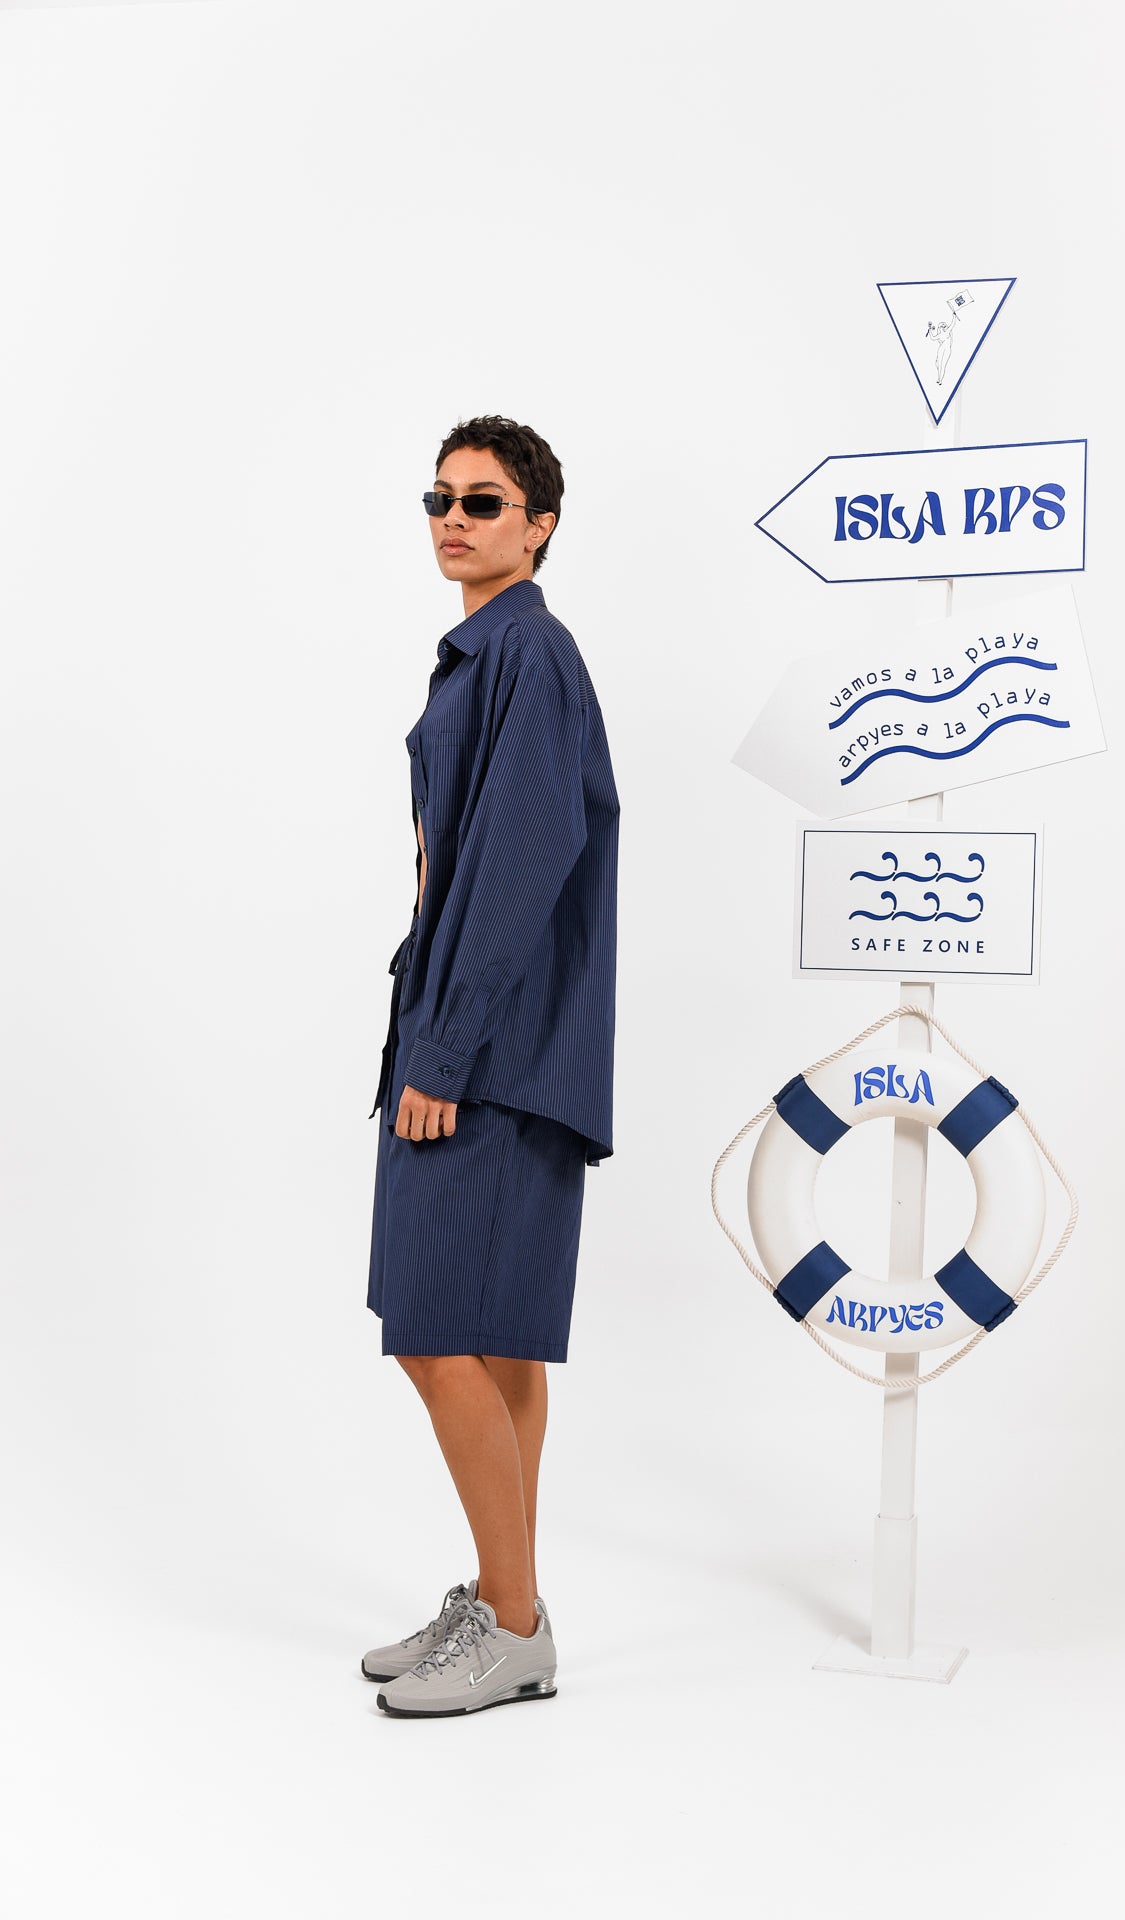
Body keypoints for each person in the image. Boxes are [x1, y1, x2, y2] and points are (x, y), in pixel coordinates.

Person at [362, 415, 619, 1717]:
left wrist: (444, 1051)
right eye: (439, 499)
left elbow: (518, 865)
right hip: (497, 1043)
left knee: (434, 1328)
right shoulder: (490, 654)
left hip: (492, 1053)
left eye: (482, 501)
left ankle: (513, 1625)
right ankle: (504, 1598)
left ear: (539, 525)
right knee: (496, 1334)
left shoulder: (528, 652)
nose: (453, 519)